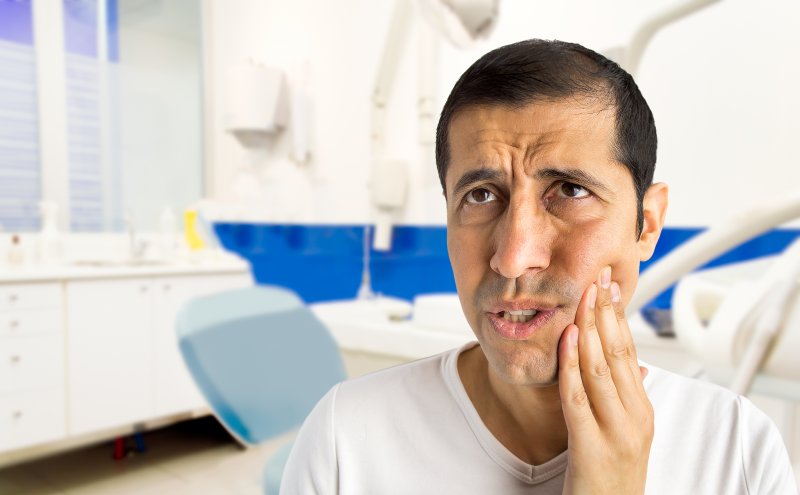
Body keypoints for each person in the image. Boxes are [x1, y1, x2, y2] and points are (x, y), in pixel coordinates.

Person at [280, 39, 797, 494]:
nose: (513, 256)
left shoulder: (736, 450)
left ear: (646, 225)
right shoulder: (344, 438)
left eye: (570, 191)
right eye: (481, 195)